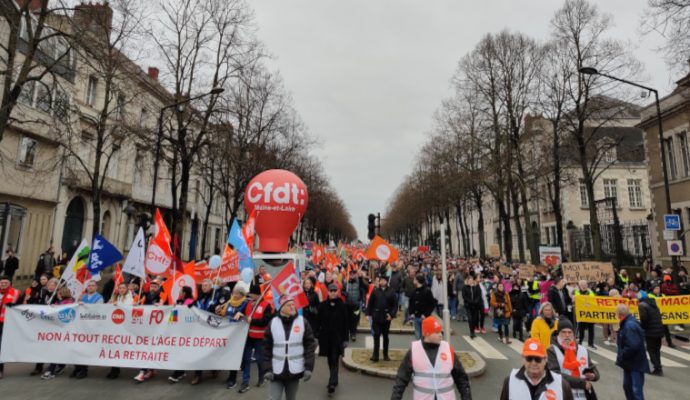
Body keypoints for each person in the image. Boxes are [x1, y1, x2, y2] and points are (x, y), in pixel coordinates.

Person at [391, 316, 472, 400]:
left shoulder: (448, 349)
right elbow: (401, 378)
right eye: (437, 332)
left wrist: (466, 396)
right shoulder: (414, 350)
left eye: (441, 332)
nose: (440, 335)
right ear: (427, 334)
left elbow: (461, 377)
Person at [262, 295, 317, 400]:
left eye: (293, 304)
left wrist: (308, 368)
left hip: (294, 371)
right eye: (288, 305)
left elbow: (310, 345)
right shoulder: (273, 323)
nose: (292, 307)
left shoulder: (303, 322)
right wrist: (267, 369)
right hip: (276, 371)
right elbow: (266, 347)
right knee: (274, 398)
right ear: (281, 307)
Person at [500, 338, 573, 400]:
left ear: (545, 360)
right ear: (523, 359)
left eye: (538, 359)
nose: (533, 363)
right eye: (529, 358)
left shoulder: (562, 384)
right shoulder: (510, 381)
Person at [546, 319, 599, 399]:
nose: (567, 335)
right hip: (563, 394)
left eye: (570, 332)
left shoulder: (582, 350)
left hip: (582, 395)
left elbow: (594, 370)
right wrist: (580, 383)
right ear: (558, 334)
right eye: (563, 332)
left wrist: (593, 375)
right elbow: (555, 374)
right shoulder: (552, 350)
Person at [237, 283, 274, 392]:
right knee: (247, 359)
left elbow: (265, 321)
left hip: (260, 337)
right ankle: (245, 382)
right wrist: (239, 313)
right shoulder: (248, 304)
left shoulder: (266, 305)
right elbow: (242, 313)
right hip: (248, 337)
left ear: (257, 294)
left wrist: (252, 321)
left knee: (259, 359)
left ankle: (261, 377)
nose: (250, 296)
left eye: (252, 294)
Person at [217, 281, 250, 389]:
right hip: (228, 333)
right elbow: (224, 314)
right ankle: (231, 376)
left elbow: (247, 316)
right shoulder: (229, 302)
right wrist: (218, 311)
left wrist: (242, 315)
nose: (234, 295)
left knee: (235, 356)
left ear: (241, 295)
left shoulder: (245, 303)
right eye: (233, 293)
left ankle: (233, 378)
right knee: (229, 354)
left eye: (236, 293)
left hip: (239, 334)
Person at [317, 283, 349, 394]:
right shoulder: (322, 305)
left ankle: (332, 383)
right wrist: (317, 335)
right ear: (328, 292)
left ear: (337, 292)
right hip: (326, 338)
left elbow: (346, 323)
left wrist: (346, 339)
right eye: (331, 291)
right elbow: (318, 321)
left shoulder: (342, 305)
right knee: (330, 359)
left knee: (335, 359)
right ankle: (334, 378)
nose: (333, 292)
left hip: (338, 338)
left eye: (335, 291)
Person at [616, 304, 649, 400]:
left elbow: (633, 345)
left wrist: (622, 355)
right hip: (631, 363)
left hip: (635, 363)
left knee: (635, 390)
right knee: (628, 387)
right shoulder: (629, 323)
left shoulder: (629, 325)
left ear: (619, 314)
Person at [190, 279, 219, 385]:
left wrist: (214, 307)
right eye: (202, 286)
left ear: (211, 286)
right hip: (199, 328)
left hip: (210, 328)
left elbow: (220, 310)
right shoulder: (200, 296)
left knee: (210, 350)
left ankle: (214, 368)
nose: (203, 287)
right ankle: (198, 374)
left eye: (206, 286)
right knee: (198, 351)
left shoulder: (216, 295)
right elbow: (193, 305)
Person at [42, 286, 73, 379]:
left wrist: (58, 308)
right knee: (56, 349)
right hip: (56, 330)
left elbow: (67, 311)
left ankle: (51, 370)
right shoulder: (58, 302)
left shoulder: (69, 302)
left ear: (63, 293)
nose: (57, 295)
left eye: (59, 293)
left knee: (57, 349)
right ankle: (59, 365)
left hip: (64, 330)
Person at [168, 286, 196, 383]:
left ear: (184, 293)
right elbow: (174, 315)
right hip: (178, 330)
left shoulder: (190, 301)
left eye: (180, 291)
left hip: (186, 331)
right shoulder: (179, 301)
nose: (179, 292)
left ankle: (178, 372)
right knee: (178, 352)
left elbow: (188, 314)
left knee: (182, 352)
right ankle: (181, 371)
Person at [366, 274, 397, 362]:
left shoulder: (391, 291)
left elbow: (395, 305)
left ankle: (385, 355)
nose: (382, 282)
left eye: (384, 280)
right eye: (381, 280)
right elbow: (370, 304)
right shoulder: (375, 291)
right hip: (376, 317)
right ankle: (375, 355)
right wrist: (368, 314)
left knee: (385, 336)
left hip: (386, 317)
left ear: (387, 282)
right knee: (376, 335)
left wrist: (391, 315)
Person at [637, 291, 665, 376]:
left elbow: (644, 318)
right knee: (657, 350)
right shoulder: (654, 304)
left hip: (650, 331)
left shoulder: (642, 305)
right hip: (659, 330)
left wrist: (642, 327)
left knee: (651, 349)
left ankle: (657, 368)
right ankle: (658, 366)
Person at [0, 275, 22, 379]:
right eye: (1, 282)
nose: (3, 284)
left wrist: (14, 304)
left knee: (1, 347)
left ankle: (0, 370)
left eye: (5, 283)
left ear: (10, 284)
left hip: (6, 323)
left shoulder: (15, 292)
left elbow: (21, 305)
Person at [409, 273, 437, 340]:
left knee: (424, 336)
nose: (413, 280)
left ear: (418, 281)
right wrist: (411, 313)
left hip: (424, 317)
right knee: (417, 335)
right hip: (416, 317)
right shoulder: (414, 291)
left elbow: (432, 304)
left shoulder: (427, 291)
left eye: (415, 279)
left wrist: (426, 314)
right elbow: (411, 303)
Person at [344, 269, 365, 341]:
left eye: (353, 274)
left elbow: (364, 287)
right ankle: (348, 332)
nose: (352, 275)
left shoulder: (359, 282)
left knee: (355, 320)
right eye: (351, 274)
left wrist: (361, 277)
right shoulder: (346, 282)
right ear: (349, 275)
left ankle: (353, 333)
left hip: (356, 305)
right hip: (347, 305)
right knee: (347, 319)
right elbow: (342, 290)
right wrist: (344, 293)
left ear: (355, 275)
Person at [574, 280, 596, 349]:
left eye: (585, 285)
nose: (583, 286)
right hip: (581, 314)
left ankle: (591, 343)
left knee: (591, 329)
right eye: (582, 285)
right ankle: (580, 342)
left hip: (590, 313)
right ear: (579, 286)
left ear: (587, 285)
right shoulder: (576, 292)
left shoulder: (591, 292)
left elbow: (594, 301)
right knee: (581, 329)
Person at [462, 274, 483, 339]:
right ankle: (471, 332)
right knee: (470, 319)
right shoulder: (465, 287)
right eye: (469, 280)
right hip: (468, 305)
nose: (471, 282)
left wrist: (475, 301)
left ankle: (473, 330)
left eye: (471, 280)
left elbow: (479, 295)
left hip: (475, 306)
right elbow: (464, 296)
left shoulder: (476, 287)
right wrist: (470, 301)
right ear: (467, 281)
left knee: (474, 319)